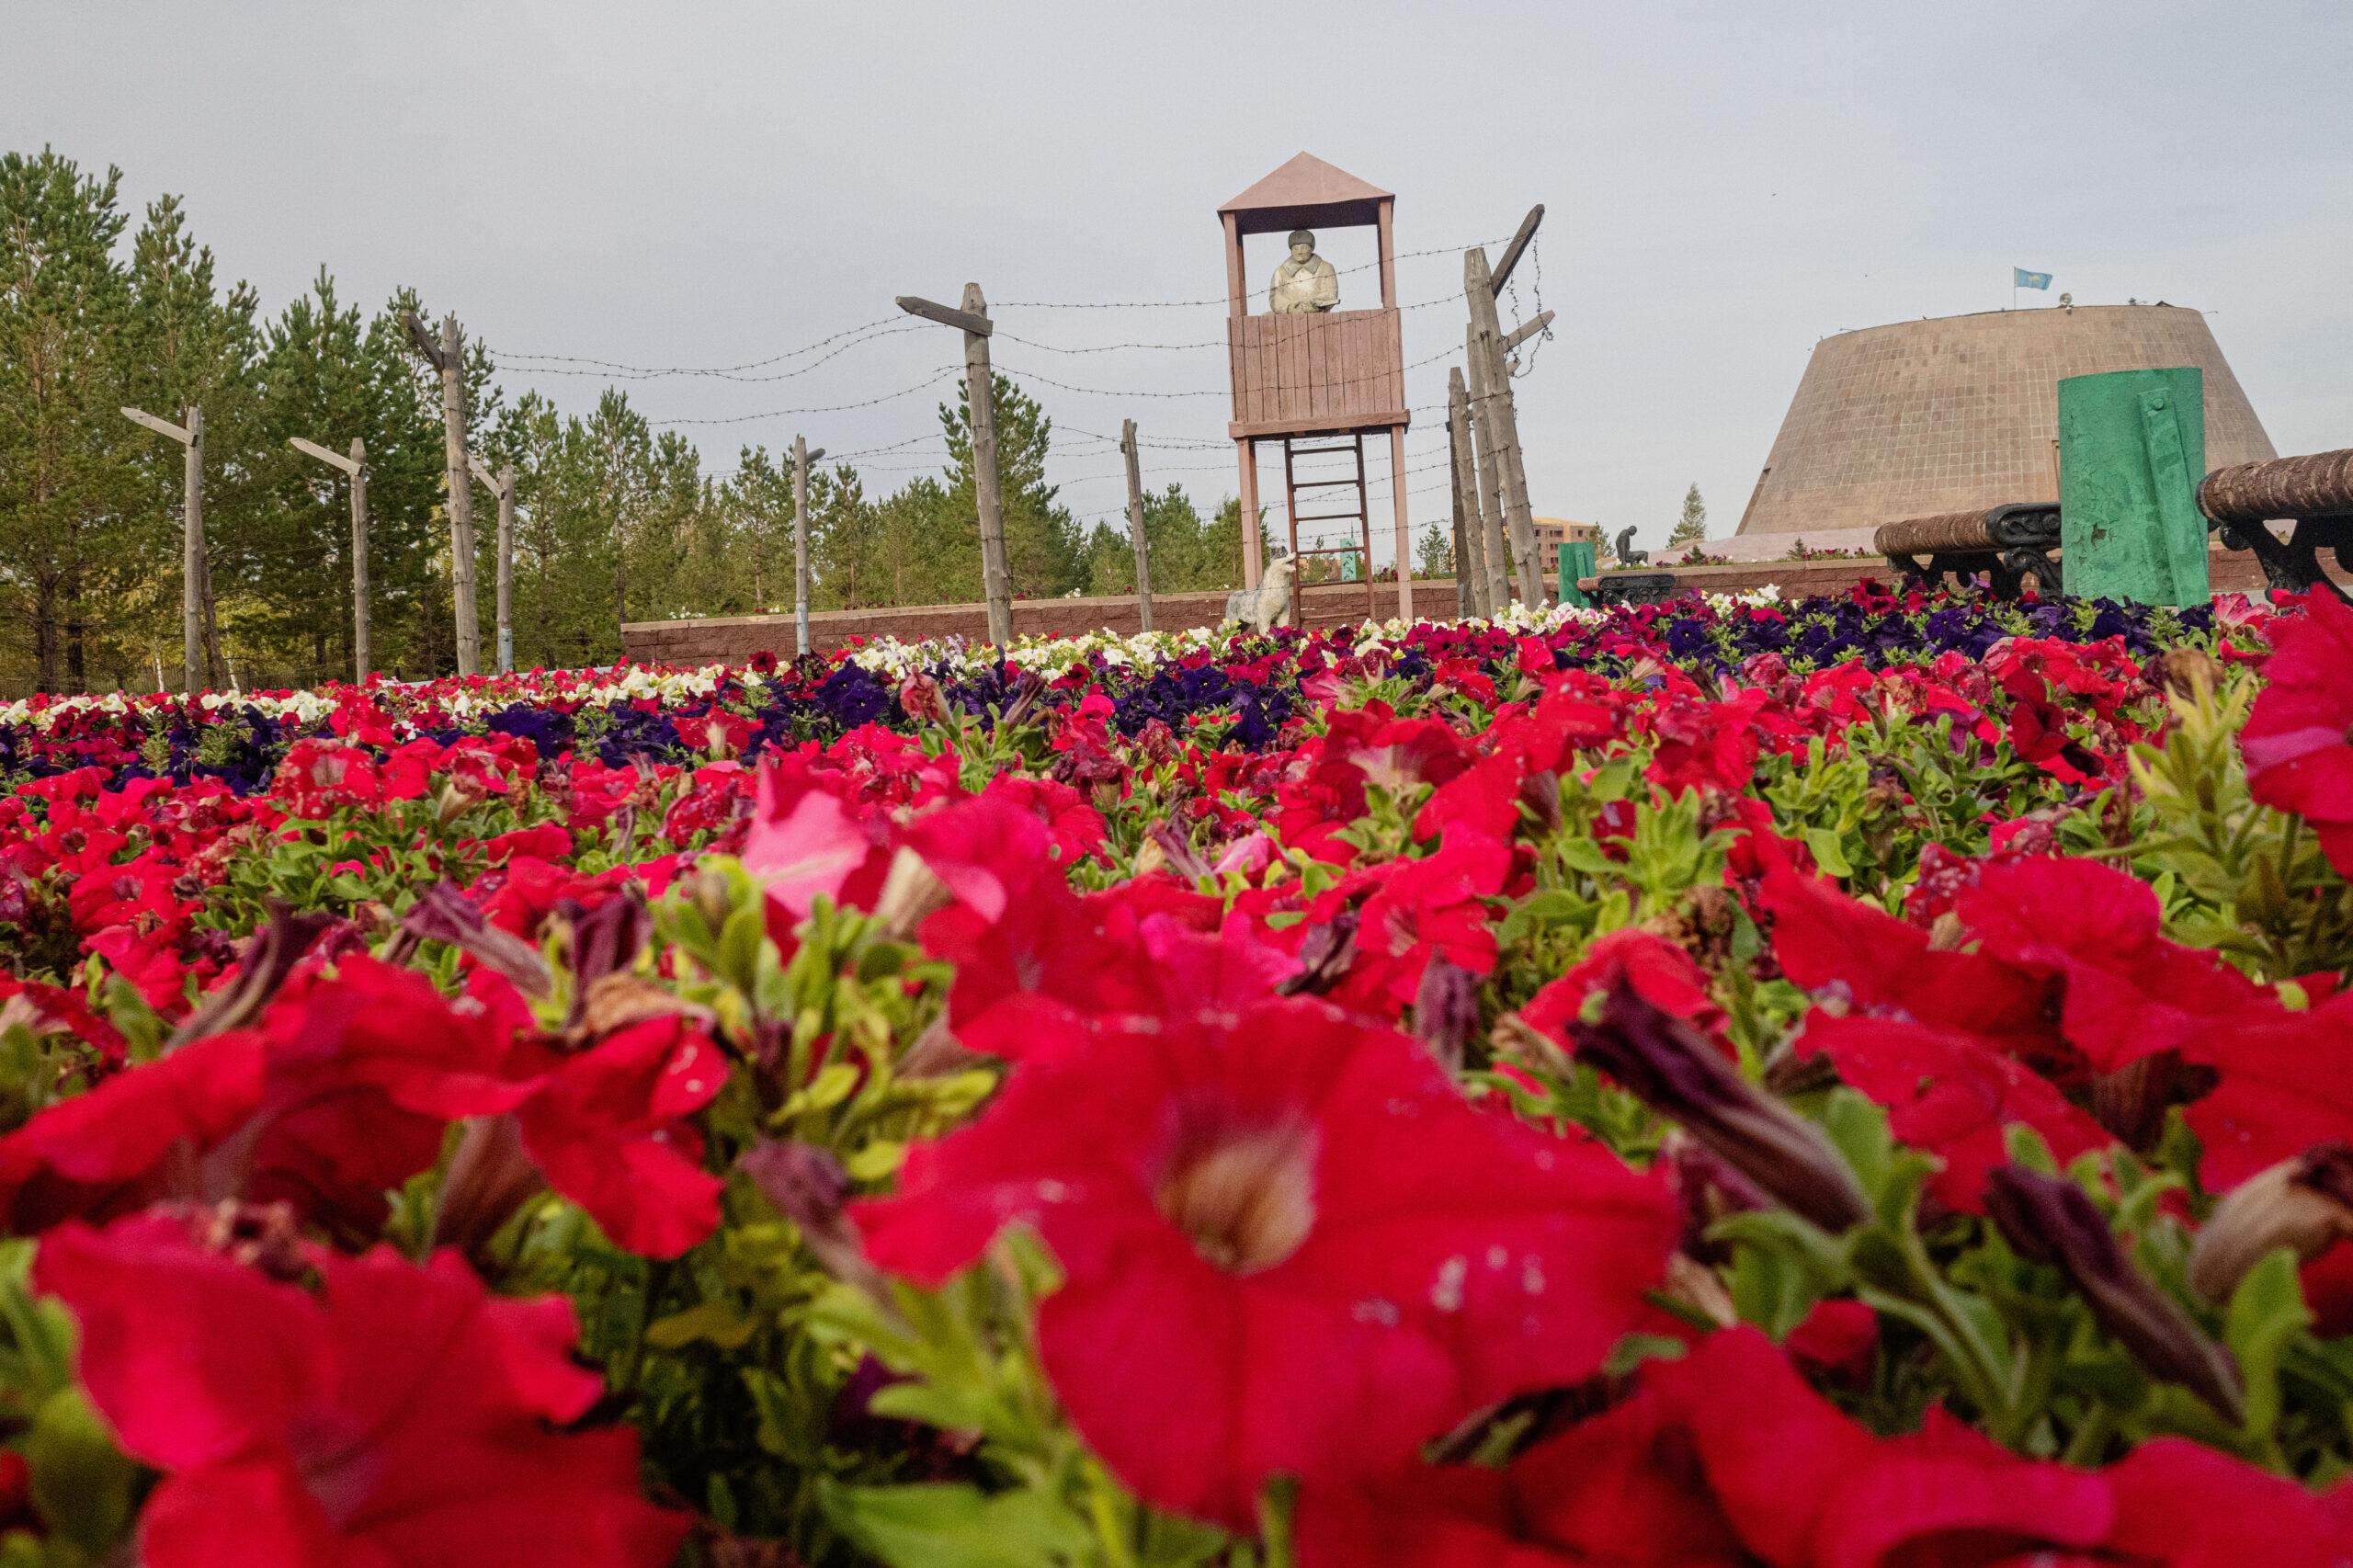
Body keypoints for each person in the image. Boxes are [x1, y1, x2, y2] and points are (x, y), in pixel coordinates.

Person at [1268, 231, 1338, 315]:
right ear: (1291, 250)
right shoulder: (1280, 271)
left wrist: (1313, 305)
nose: (1299, 252)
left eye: (1304, 248)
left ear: (1311, 248)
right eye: (1295, 248)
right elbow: (1275, 297)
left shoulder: (1325, 268)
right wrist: (1289, 308)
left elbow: (1330, 293)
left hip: (1319, 317)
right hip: (1288, 320)